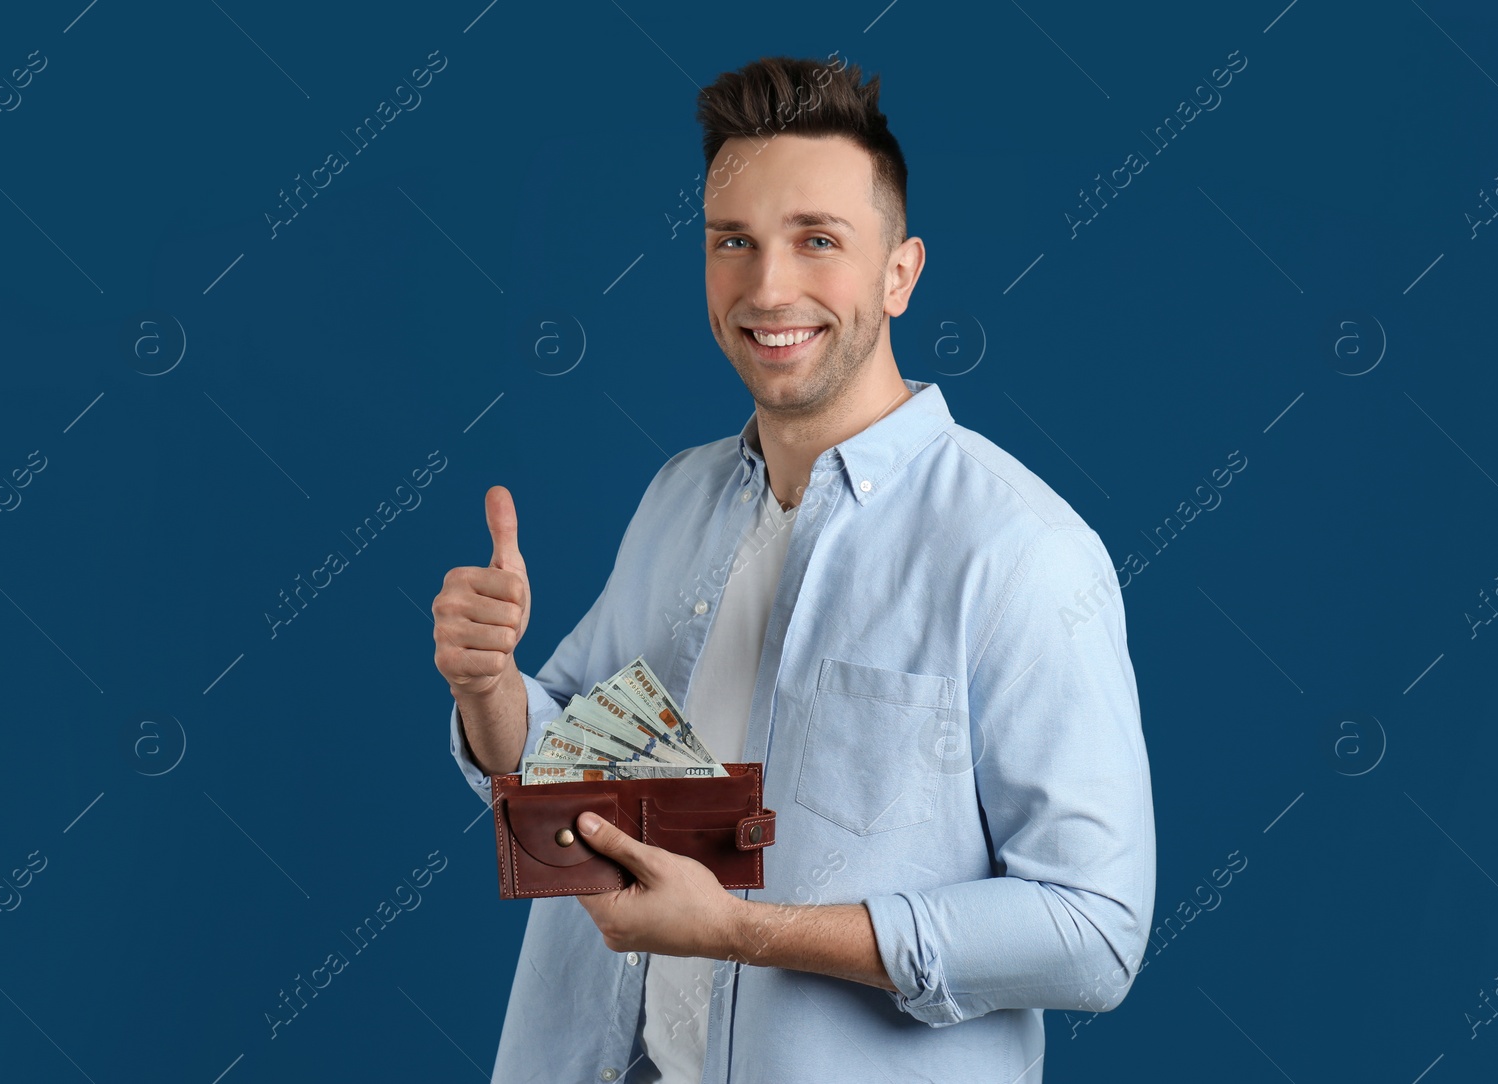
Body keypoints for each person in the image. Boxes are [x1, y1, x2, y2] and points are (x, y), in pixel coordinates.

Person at [432, 54, 1155, 1083]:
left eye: (818, 240)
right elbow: (569, 778)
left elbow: (1093, 929)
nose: (769, 287)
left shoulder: (1022, 552)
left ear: (899, 273)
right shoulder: (678, 498)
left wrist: (744, 931)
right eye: (735, 242)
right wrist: (490, 689)